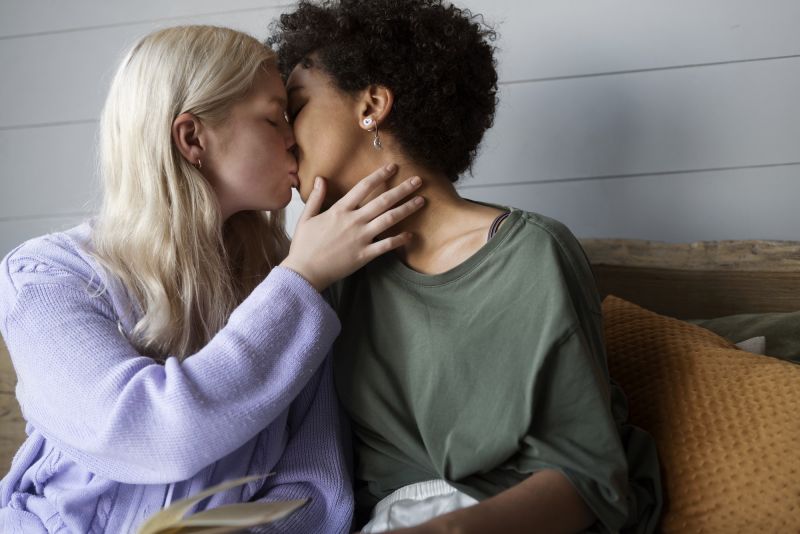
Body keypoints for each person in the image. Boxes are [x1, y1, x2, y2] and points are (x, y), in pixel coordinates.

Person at [0, 25, 425, 534]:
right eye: (274, 118)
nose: (295, 138)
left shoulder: (294, 279)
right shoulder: (45, 275)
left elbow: (314, 486)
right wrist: (300, 279)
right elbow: (147, 433)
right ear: (192, 137)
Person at [269, 1, 664, 532]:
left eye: (296, 107)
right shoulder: (325, 274)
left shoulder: (531, 255)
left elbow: (590, 478)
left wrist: (452, 529)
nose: (287, 138)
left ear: (373, 104)